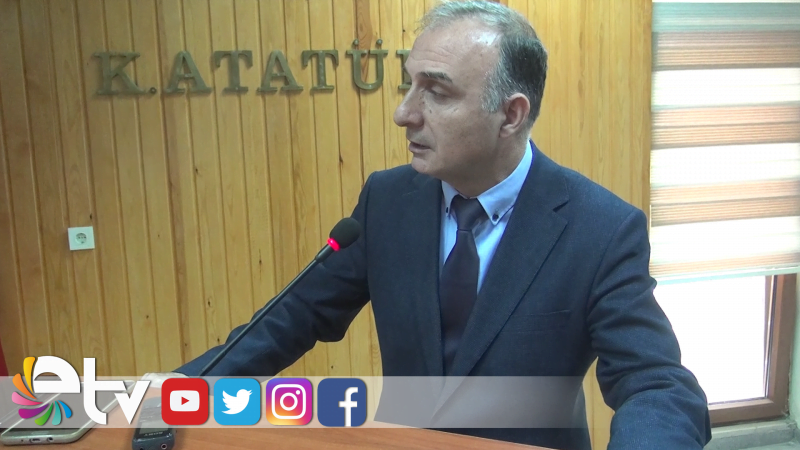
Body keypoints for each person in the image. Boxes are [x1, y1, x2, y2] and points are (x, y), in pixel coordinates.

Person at [172, 1, 711, 449]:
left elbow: (655, 384)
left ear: (510, 114)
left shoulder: (601, 229)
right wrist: (173, 396)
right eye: (410, 85)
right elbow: (294, 317)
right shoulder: (388, 202)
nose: (404, 113)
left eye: (437, 91)